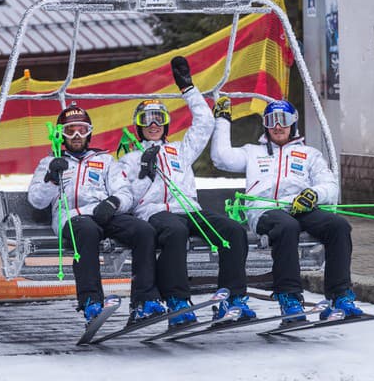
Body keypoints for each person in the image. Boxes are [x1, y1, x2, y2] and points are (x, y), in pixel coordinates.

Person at [119, 56, 256, 328]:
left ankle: (233, 298)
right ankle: (178, 301)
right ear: (139, 125)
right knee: (175, 232)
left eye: (159, 118)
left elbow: (204, 123)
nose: (154, 124)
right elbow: (129, 197)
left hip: (190, 210)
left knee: (233, 231)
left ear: (166, 123)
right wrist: (144, 174)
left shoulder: (180, 149)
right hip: (155, 213)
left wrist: (188, 89)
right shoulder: (130, 158)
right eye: (147, 119)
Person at [210, 97, 363, 322]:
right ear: (266, 125)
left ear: (293, 123)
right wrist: (222, 120)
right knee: (286, 226)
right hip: (265, 210)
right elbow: (221, 158)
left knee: (339, 226)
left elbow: (329, 185)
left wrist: (313, 194)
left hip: (300, 206)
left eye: (283, 120)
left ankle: (340, 296)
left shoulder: (309, 154)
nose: (278, 126)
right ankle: (289, 296)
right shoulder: (253, 152)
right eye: (272, 121)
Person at [28, 103, 166, 326]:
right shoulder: (50, 162)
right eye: (70, 130)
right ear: (60, 134)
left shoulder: (104, 160)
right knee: (87, 231)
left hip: (104, 214)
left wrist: (113, 203)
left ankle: (144, 300)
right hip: (72, 216)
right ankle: (91, 301)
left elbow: (125, 191)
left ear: (89, 132)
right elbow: (36, 200)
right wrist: (52, 179)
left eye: (81, 130)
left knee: (144, 231)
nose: (75, 135)